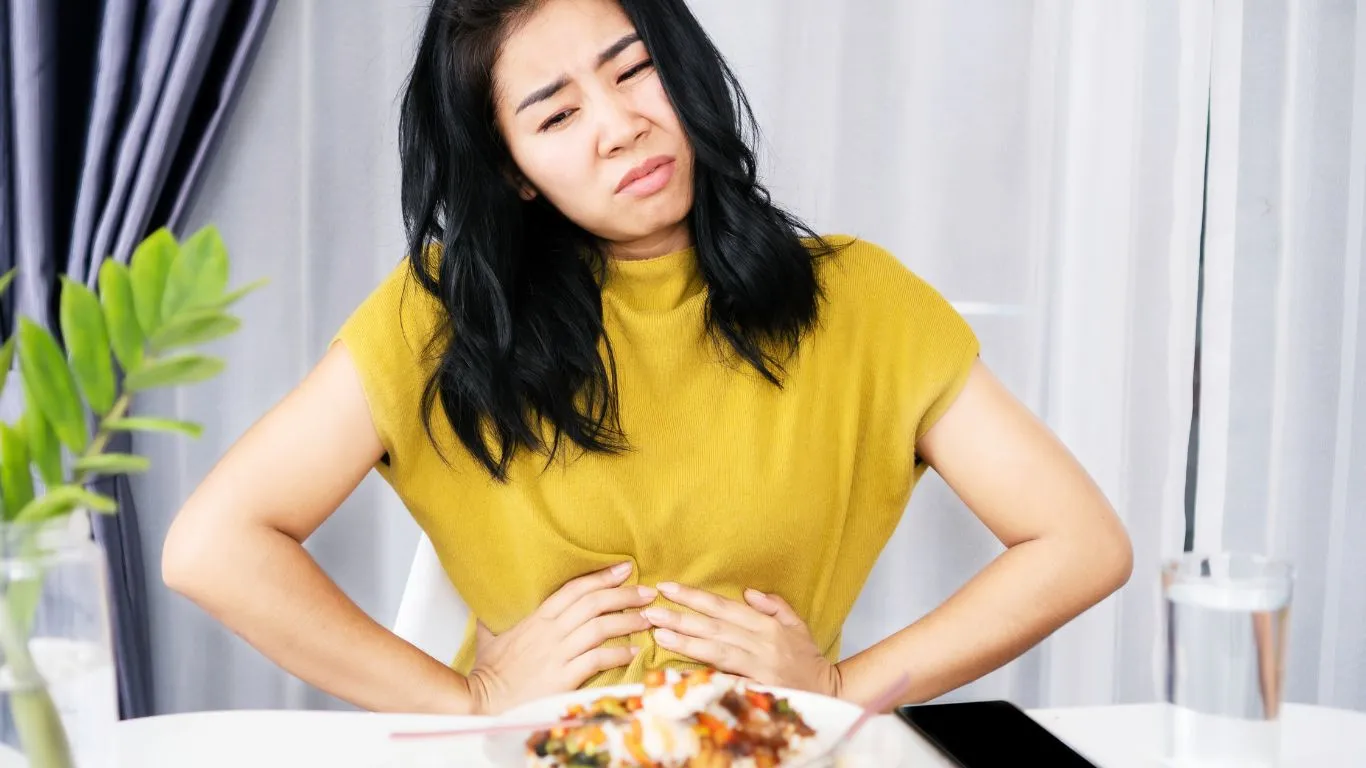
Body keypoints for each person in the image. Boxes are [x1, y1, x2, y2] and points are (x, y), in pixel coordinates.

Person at [161, 0, 1132, 717]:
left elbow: (1080, 543)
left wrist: (844, 689)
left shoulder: (860, 302)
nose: (619, 124)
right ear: (513, 170)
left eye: (632, 70)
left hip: (764, 749)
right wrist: (466, 700)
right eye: (555, 115)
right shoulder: (448, 311)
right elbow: (212, 547)